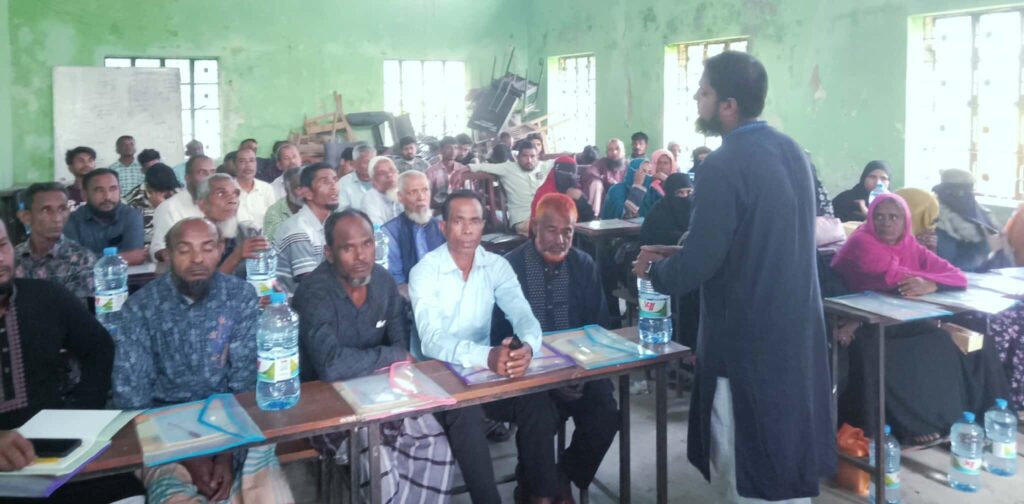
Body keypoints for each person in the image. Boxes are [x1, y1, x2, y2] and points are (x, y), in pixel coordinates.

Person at [633, 51, 835, 502]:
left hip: (747, 342)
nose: (696, 98)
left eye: (703, 92)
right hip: (796, 334)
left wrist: (655, 272)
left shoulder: (723, 165)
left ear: (728, 104)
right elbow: (753, 242)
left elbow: (702, 263)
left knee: (748, 463)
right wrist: (680, 251)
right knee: (786, 451)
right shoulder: (792, 152)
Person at [114, 218, 294, 503]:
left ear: (221, 250)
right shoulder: (141, 308)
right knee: (173, 495)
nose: (197, 258)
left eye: (207, 248)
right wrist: (190, 456)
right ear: (168, 254)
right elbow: (132, 398)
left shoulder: (239, 296)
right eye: (185, 250)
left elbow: (245, 382)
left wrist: (225, 454)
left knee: (268, 495)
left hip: (236, 427)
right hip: (162, 432)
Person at [293, 210, 462, 501]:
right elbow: (331, 365)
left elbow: (400, 343)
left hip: (383, 393)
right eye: (348, 248)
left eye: (367, 243)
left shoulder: (382, 282)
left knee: (437, 447)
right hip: (328, 406)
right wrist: (389, 355)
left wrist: (390, 356)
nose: (361, 256)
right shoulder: (314, 292)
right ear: (329, 253)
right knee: (379, 463)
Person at [410, 190, 561, 503]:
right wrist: (486, 356)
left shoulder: (496, 266)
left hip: (480, 375)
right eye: (458, 221)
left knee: (537, 403)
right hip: (435, 380)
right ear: (443, 226)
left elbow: (524, 317)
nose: (467, 230)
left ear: (483, 225)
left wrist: (528, 347)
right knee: (465, 416)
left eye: (475, 221)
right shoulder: (425, 271)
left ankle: (539, 495)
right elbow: (431, 340)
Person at [830, 193, 1008, 444]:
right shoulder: (862, 242)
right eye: (879, 216)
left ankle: (941, 419)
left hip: (895, 316)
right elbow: (892, 276)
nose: (886, 222)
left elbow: (957, 276)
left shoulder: (909, 244)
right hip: (859, 321)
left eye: (894, 217)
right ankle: (911, 426)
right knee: (906, 350)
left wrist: (931, 284)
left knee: (939, 340)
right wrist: (926, 279)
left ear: (906, 220)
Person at [0, 218, 146, 504]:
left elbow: (99, 348)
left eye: (2, 245)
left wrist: (82, 412)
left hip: (57, 454)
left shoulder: (45, 298)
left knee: (128, 495)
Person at [497, 193, 619, 500]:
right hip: (527, 375)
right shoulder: (509, 268)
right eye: (552, 230)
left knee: (605, 412)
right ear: (534, 227)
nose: (561, 240)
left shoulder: (583, 265)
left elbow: (597, 329)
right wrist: (545, 376)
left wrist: (579, 374)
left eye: (568, 232)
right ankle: (540, 492)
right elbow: (501, 335)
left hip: (578, 370)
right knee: (538, 416)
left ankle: (562, 475)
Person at [15, 183, 96, 300]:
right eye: (46, 210)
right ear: (26, 216)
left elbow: (77, 309)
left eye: (62, 209)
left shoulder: (81, 260)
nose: (57, 218)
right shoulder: (13, 258)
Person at [274, 163, 339, 293]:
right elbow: (312, 285)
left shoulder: (331, 223)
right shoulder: (298, 230)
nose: (334, 187)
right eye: (325, 182)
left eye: (335, 180)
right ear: (308, 193)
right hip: (297, 301)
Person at [470, 140, 556, 235]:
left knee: (559, 226)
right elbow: (481, 166)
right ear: (517, 157)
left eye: (532, 156)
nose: (529, 160)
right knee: (549, 230)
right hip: (522, 220)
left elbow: (564, 160)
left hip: (544, 217)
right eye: (525, 156)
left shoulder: (544, 166)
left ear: (537, 157)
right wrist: (464, 169)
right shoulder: (508, 168)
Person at [64, 168, 146, 265]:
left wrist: (89, 259)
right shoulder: (73, 220)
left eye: (113, 189)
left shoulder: (131, 216)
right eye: (99, 190)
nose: (107, 196)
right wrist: (122, 257)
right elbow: (72, 261)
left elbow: (135, 257)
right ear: (84, 194)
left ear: (120, 190)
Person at [382, 170, 445, 293]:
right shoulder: (390, 232)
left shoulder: (442, 227)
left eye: (425, 190)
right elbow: (396, 283)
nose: (421, 197)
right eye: (413, 192)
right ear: (400, 197)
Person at [196, 174, 270, 276]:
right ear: (203, 205)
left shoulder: (250, 234)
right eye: (221, 194)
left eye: (235, 194)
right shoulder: (191, 240)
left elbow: (264, 276)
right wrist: (236, 257)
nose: (232, 200)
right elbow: (204, 284)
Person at [150, 155, 215, 261]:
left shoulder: (223, 203)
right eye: (202, 173)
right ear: (187, 178)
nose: (209, 178)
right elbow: (159, 250)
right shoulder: (169, 208)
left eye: (212, 172)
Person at [933, 169, 997, 272]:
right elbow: (948, 265)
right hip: (956, 275)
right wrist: (983, 254)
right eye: (961, 191)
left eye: (970, 191)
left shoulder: (978, 211)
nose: (967, 195)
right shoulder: (938, 220)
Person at [125, 163, 181, 248]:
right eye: (163, 190)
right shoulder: (133, 201)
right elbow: (137, 237)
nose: (169, 193)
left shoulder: (177, 192)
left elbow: (183, 224)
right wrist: (162, 208)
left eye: (170, 189)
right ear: (149, 187)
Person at [529, 155, 596, 225]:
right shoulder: (545, 191)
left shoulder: (574, 191)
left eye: (572, 174)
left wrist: (580, 200)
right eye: (566, 174)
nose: (570, 177)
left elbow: (590, 217)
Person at [639, 173, 693, 247]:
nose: (685, 196)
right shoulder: (658, 212)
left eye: (689, 192)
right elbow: (665, 238)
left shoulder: (694, 211)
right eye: (680, 192)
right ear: (669, 193)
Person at [579, 138, 627, 213]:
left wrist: (616, 185)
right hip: (603, 196)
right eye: (610, 150)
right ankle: (594, 215)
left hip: (621, 196)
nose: (614, 152)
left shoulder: (629, 165)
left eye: (617, 149)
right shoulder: (603, 162)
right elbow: (590, 171)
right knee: (596, 183)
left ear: (623, 152)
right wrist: (602, 178)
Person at [234, 147, 278, 226]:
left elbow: (274, 219)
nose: (248, 165)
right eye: (242, 161)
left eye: (252, 161)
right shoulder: (228, 190)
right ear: (235, 165)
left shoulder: (266, 188)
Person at [425, 136, 470, 212]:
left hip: (460, 209)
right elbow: (427, 196)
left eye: (455, 148)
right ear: (441, 150)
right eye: (449, 148)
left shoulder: (462, 169)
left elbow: (469, 192)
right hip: (438, 210)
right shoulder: (431, 172)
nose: (453, 151)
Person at [360, 156, 402, 226]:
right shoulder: (369, 198)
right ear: (373, 180)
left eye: (392, 170)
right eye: (382, 173)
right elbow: (378, 230)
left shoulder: (404, 192)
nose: (389, 175)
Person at [262, 167, 303, 240]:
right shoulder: (274, 213)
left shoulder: (315, 204)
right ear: (287, 189)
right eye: (298, 188)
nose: (304, 192)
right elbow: (274, 243)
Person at [637, 148, 679, 217]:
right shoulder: (646, 183)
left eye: (666, 163)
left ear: (672, 165)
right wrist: (651, 179)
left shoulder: (679, 181)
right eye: (659, 163)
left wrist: (668, 182)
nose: (662, 167)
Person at [337, 143, 375, 210]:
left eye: (374, 161)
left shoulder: (383, 179)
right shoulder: (343, 183)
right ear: (355, 164)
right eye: (367, 162)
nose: (372, 165)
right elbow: (341, 211)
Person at [64, 146, 96, 210]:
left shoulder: (101, 192)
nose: (86, 164)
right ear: (70, 168)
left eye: (90, 160)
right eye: (80, 161)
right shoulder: (64, 194)